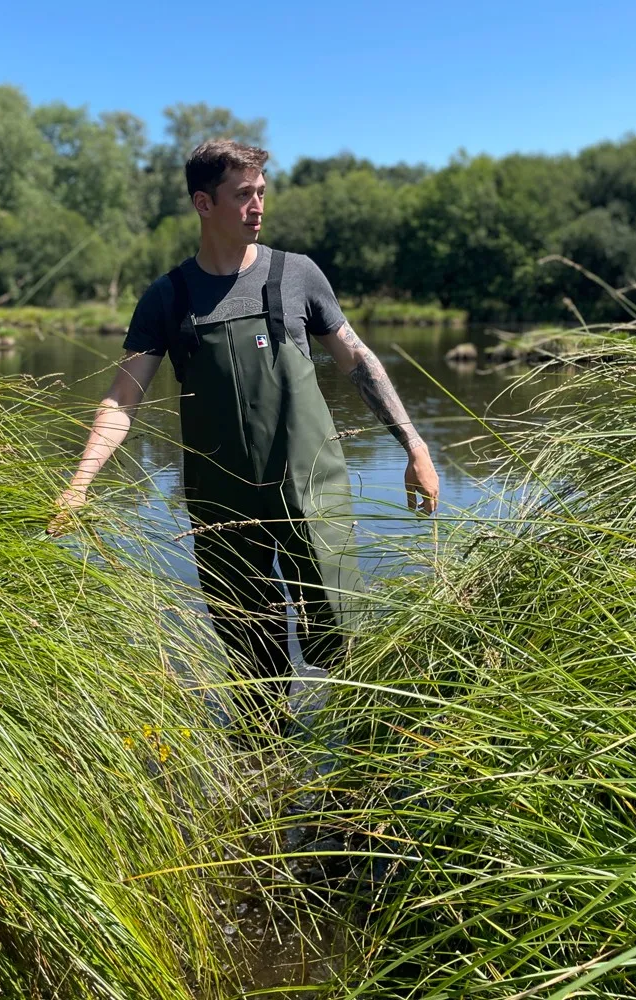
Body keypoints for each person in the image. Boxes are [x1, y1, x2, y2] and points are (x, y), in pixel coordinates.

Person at [49, 139, 439, 735]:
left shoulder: (297, 275)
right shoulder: (169, 297)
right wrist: (78, 487)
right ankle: (267, 794)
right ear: (203, 203)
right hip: (222, 504)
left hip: (312, 492)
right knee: (253, 668)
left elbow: (357, 361)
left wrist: (413, 445)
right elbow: (121, 399)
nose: (257, 205)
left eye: (260, 191)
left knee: (347, 637)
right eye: (242, 195)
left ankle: (367, 782)